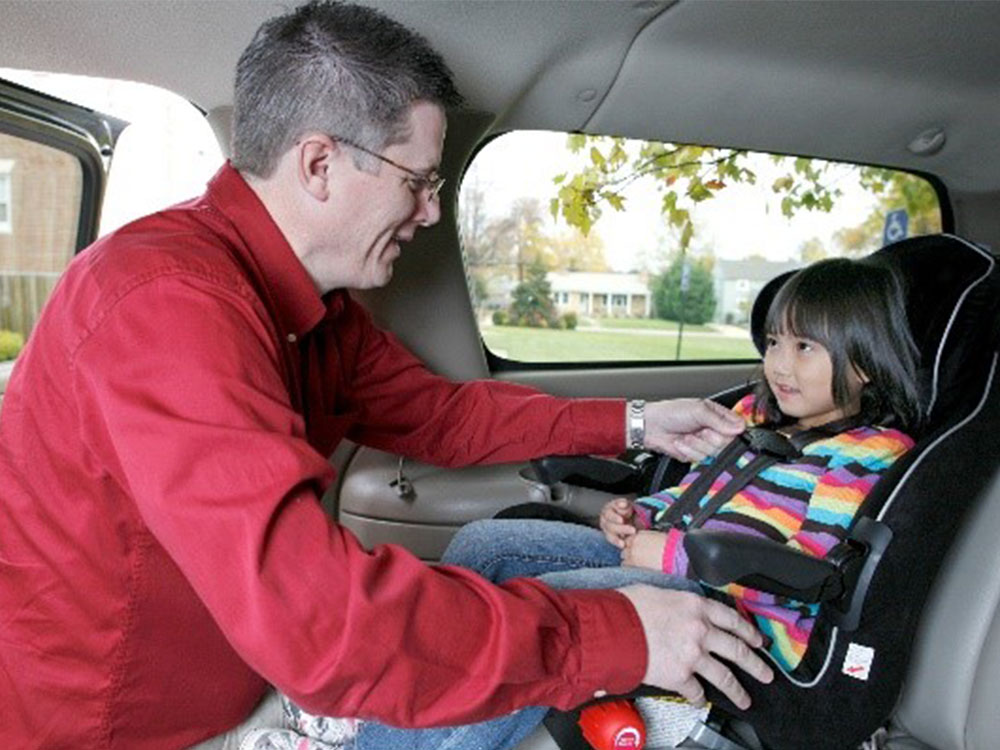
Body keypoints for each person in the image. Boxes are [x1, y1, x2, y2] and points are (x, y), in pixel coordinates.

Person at [0, 2, 774, 748]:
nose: (431, 212)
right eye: (419, 180)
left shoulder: (321, 317)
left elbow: (445, 418)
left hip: (241, 680)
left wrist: (636, 423)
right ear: (319, 165)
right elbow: (320, 624)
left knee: (488, 562)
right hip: (130, 730)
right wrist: (617, 638)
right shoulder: (165, 305)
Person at [282, 257, 921, 750]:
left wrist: (669, 553)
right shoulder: (757, 416)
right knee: (487, 544)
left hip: (733, 608)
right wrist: (644, 514)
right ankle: (384, 707)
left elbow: (799, 566)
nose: (779, 362)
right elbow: (703, 491)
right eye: (775, 341)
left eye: (804, 347)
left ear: (864, 363)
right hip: (666, 555)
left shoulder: (861, 455)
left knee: (542, 617)